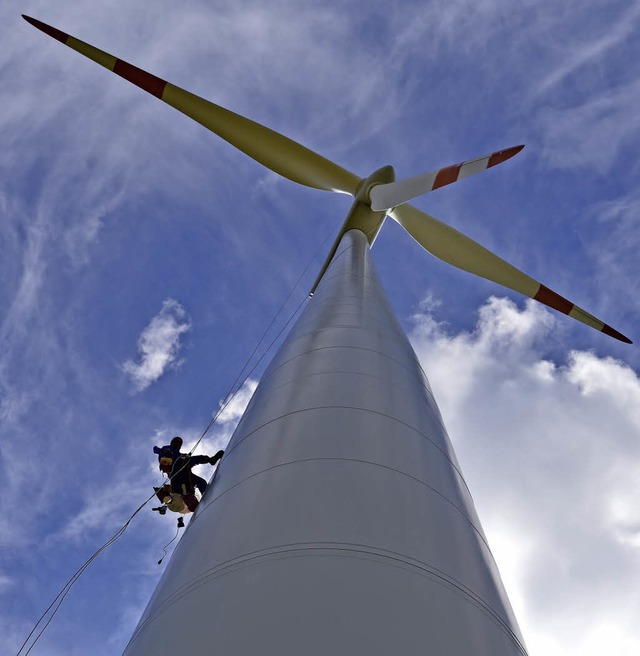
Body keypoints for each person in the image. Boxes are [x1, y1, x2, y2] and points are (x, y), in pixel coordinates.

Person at [153, 436, 224, 496]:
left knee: (201, 482)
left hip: (184, 470)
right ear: (172, 442)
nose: (177, 443)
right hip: (174, 469)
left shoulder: (179, 454)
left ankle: (207, 497)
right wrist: (165, 452)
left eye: (179, 443)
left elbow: (184, 458)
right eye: (176, 441)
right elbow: (155, 449)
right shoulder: (167, 448)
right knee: (191, 460)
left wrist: (185, 456)